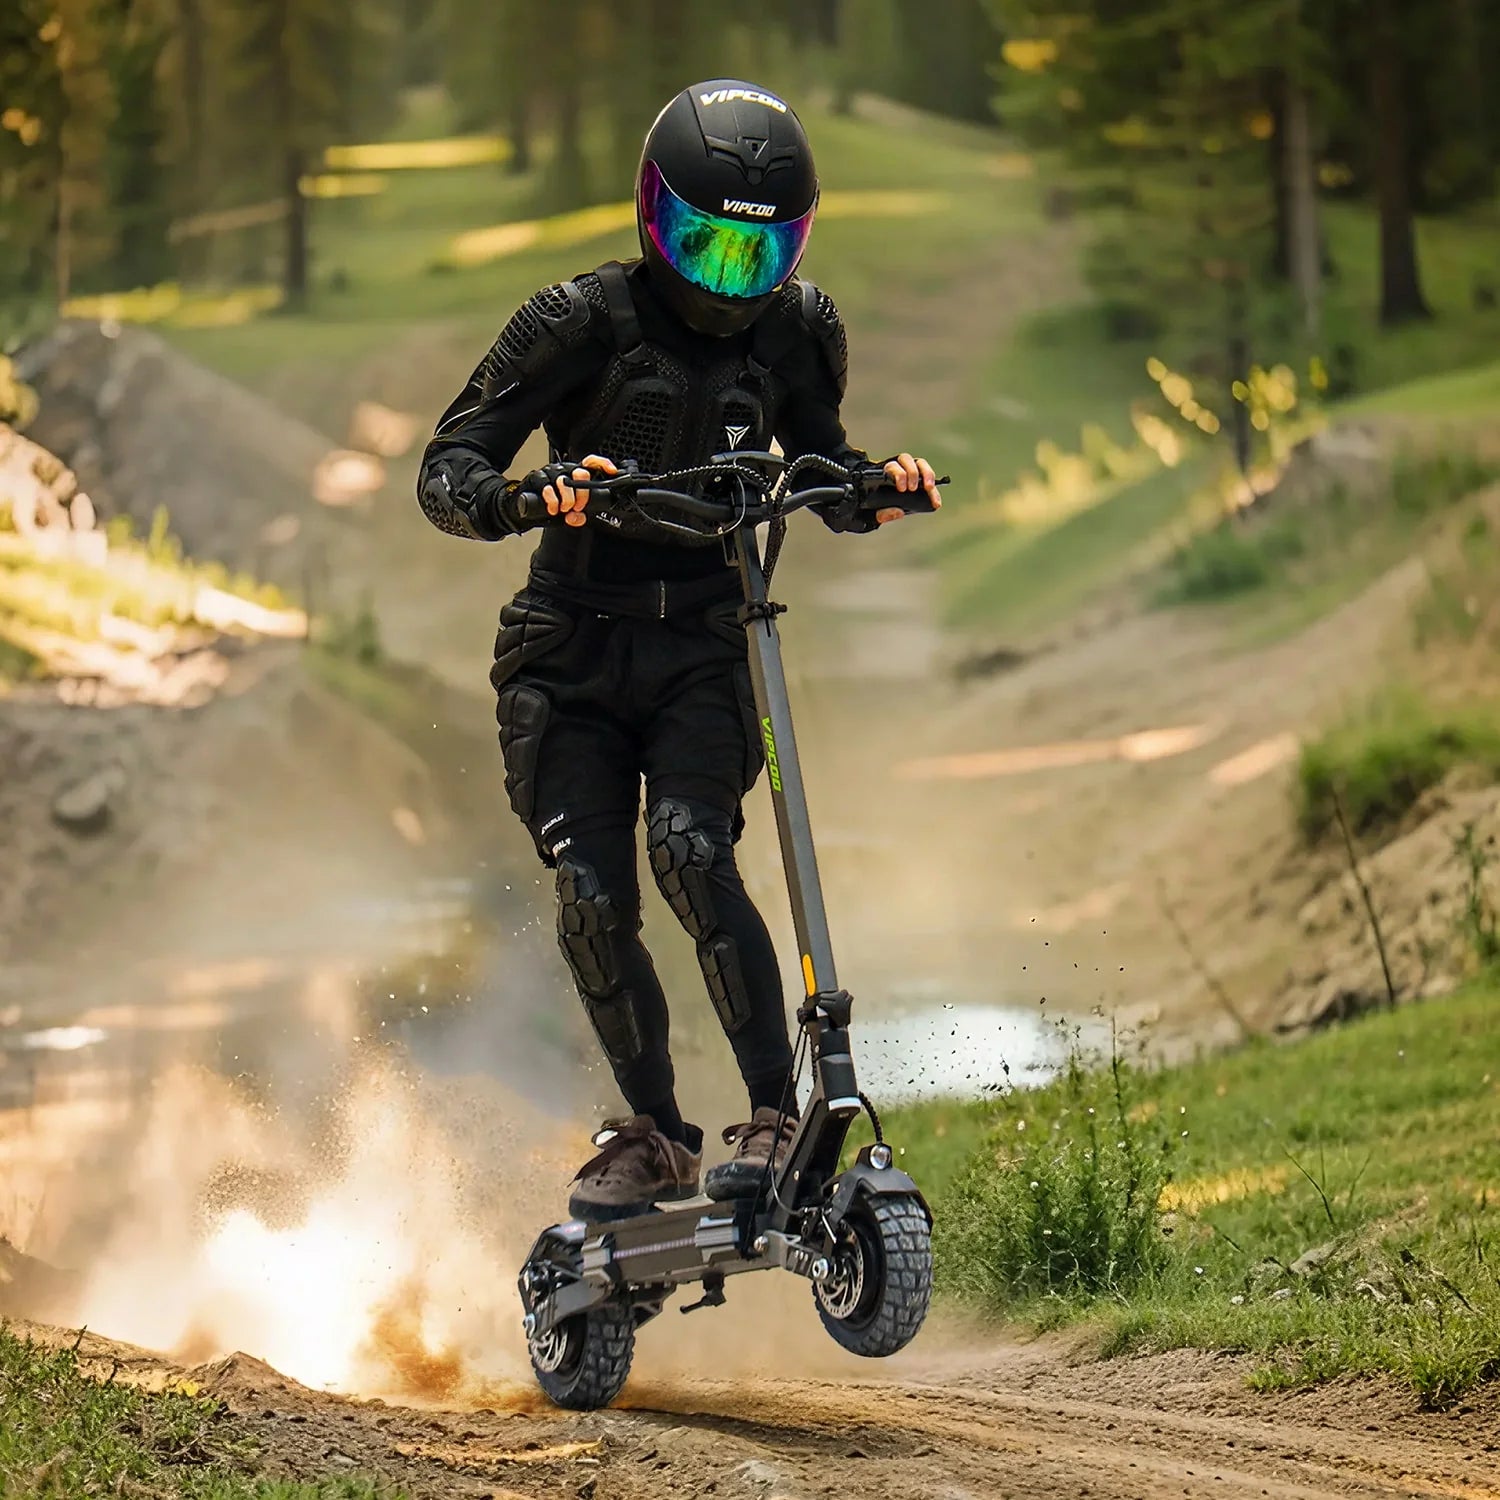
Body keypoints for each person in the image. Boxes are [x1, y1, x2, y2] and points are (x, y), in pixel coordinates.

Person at [416, 79, 941, 1221]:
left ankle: (773, 1115)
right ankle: (650, 1134)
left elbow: (824, 465)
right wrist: (530, 499)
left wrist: (878, 489)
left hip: (709, 641)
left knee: (696, 849)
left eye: (756, 259)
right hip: (567, 653)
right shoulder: (574, 322)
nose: (723, 280)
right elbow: (444, 473)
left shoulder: (801, 332)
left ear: (793, 250)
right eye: (700, 245)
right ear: (653, 215)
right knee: (594, 892)